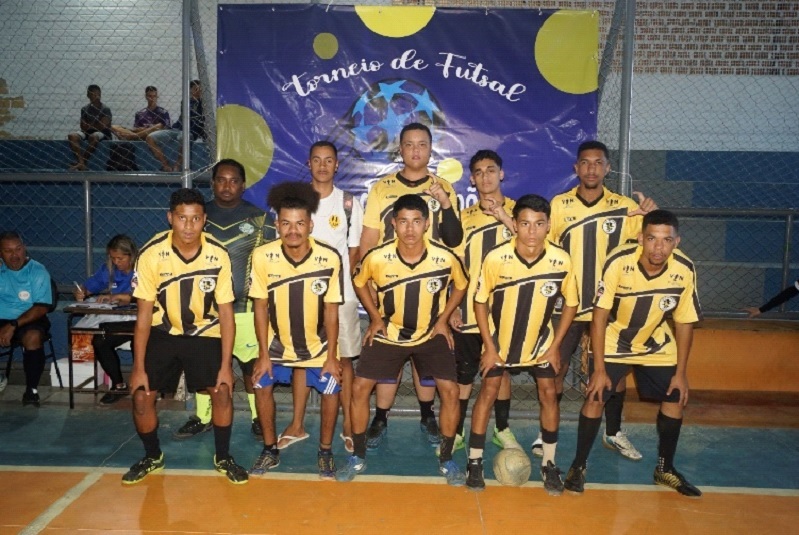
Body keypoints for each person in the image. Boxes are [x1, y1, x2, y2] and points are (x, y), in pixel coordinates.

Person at [563, 210, 703, 497]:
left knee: (675, 396)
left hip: (655, 343)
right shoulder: (619, 261)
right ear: (640, 238)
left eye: (666, 240)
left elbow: (684, 322)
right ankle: (578, 466)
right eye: (652, 239)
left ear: (676, 242)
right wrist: (599, 369)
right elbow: (599, 315)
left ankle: (665, 469)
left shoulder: (684, 269)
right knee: (596, 395)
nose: (658, 247)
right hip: (614, 339)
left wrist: (681, 373)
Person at [338, 194, 469, 485]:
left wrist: (443, 320)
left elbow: (461, 285)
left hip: (430, 333)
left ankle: (447, 458)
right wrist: (375, 318)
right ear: (394, 224)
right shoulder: (377, 257)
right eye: (404, 222)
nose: (410, 229)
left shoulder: (444, 257)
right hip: (389, 333)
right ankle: (357, 456)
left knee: (450, 391)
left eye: (416, 221)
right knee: (359, 388)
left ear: (427, 224)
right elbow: (359, 282)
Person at [122, 188, 248, 485]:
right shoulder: (152, 253)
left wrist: (226, 366)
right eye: (182, 218)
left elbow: (226, 314)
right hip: (163, 331)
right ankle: (153, 456)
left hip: (205, 331)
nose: (189, 226)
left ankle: (223, 457)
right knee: (141, 395)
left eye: (195, 219)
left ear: (205, 220)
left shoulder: (218, 253)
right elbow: (143, 315)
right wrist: (138, 367)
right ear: (170, 218)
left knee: (222, 390)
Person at [541, 140, 656, 461]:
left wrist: (652, 215)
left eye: (598, 163)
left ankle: (613, 432)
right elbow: (545, 251)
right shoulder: (559, 205)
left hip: (610, 307)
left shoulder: (624, 206)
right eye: (585, 163)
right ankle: (547, 431)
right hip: (568, 305)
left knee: (613, 375)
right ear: (576, 168)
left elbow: (649, 246)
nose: (591, 169)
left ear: (608, 168)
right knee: (556, 368)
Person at [359, 122, 464, 449]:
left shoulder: (444, 188)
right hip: (389, 289)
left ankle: (427, 414)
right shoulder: (382, 188)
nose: (416, 150)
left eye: (422, 144)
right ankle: (380, 417)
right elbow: (368, 242)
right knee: (387, 360)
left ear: (431, 150)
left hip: (432, 293)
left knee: (427, 358)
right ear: (400, 149)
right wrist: (372, 295)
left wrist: (453, 304)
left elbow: (455, 246)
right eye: (409, 144)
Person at [468, 194, 579, 493]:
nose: (532, 231)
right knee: (488, 392)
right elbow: (479, 302)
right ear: (515, 225)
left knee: (548, 394)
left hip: (540, 343)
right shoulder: (496, 257)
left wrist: (554, 347)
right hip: (500, 342)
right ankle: (474, 461)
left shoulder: (561, 260)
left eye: (539, 224)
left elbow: (571, 304)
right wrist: (489, 347)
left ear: (548, 225)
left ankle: (549, 463)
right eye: (526, 224)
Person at [172, 158, 276, 441]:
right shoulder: (197, 217)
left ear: (243, 185)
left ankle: (258, 417)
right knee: (204, 367)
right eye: (221, 180)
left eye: (233, 180)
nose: (227, 186)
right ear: (212, 183)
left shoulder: (260, 219)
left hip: (246, 310)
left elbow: (272, 264)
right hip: (205, 312)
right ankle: (203, 417)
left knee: (251, 367)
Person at [248, 182, 343, 480]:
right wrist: (263, 355)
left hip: (318, 345)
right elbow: (260, 307)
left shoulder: (329, 257)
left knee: (331, 387)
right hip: (277, 344)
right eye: (286, 223)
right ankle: (269, 449)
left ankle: (325, 451)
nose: (293, 230)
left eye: (299, 223)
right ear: (277, 225)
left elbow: (331, 310)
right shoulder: (262, 256)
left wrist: (332, 357)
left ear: (310, 225)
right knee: (260, 382)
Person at [274, 142, 364, 454]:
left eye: (329, 161)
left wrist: (339, 287)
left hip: (341, 296)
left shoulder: (349, 203)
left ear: (336, 165)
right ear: (308, 163)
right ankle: (297, 425)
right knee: (301, 359)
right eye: (317, 160)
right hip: (300, 296)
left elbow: (354, 252)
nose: (323, 166)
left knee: (344, 360)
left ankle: (349, 425)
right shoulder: (296, 203)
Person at [448, 150, 520, 455]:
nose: (485, 177)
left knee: (500, 371)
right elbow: (455, 266)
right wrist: (453, 306)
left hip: (508, 310)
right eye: (478, 172)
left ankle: (501, 429)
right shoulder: (464, 218)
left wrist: (504, 218)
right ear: (472, 179)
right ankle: (458, 430)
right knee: (464, 373)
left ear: (501, 174)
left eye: (491, 170)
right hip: (469, 310)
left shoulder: (520, 212)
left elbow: (535, 245)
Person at [73, 234, 138, 405]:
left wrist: (118, 296)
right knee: (100, 340)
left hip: (139, 319)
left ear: (131, 255)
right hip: (116, 318)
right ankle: (118, 385)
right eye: (113, 258)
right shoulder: (109, 269)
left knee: (137, 341)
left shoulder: (142, 268)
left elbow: (146, 296)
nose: (116, 262)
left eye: (120, 258)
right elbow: (89, 286)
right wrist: (82, 292)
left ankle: (142, 385)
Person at [0, 231, 53, 407]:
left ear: (24, 249)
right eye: (8, 251)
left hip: (29, 318)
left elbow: (41, 307)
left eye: (18, 249)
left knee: (32, 337)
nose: (14, 255)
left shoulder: (37, 271)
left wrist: (13, 325)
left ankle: (32, 390)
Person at [146, 80, 205, 172]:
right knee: (150, 138)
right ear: (190, 90)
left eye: (200, 89)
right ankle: (165, 165)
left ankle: (177, 165)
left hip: (190, 131)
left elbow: (201, 120)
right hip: (176, 128)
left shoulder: (204, 103)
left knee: (183, 137)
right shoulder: (186, 101)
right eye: (196, 89)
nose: (199, 91)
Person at [67, 84, 112, 171]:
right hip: (87, 131)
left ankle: (82, 162)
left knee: (93, 137)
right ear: (88, 95)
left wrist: (90, 125)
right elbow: (83, 126)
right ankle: (81, 162)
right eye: (93, 94)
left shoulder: (105, 109)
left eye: (98, 94)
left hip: (103, 133)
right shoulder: (85, 109)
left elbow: (103, 126)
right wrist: (95, 124)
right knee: (72, 136)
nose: (96, 96)